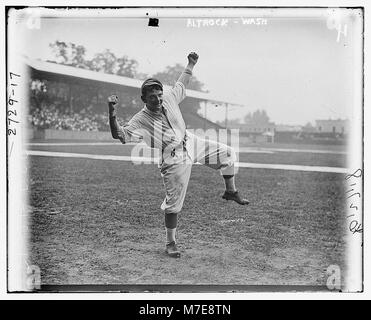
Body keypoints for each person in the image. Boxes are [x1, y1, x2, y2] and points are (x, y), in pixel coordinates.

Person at [107, 52, 249, 258]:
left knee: (228, 153)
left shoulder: (170, 96)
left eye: (159, 94)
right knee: (174, 204)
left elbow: (182, 82)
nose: (157, 99)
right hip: (173, 157)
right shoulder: (140, 119)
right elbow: (119, 134)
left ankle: (230, 191)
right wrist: (112, 113)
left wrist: (191, 64)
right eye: (152, 97)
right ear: (143, 99)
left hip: (190, 141)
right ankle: (170, 242)